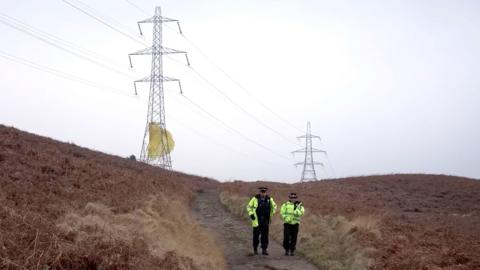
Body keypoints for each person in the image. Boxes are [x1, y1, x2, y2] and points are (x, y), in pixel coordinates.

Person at [246, 187, 277, 255]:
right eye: (262, 191)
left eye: (264, 192)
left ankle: (264, 249)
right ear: (259, 192)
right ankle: (255, 249)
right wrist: (251, 214)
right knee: (256, 236)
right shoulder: (255, 198)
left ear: (266, 192)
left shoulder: (269, 199)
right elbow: (249, 207)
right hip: (257, 220)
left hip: (265, 220)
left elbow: (274, 206)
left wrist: (271, 213)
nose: (263, 193)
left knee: (265, 236)